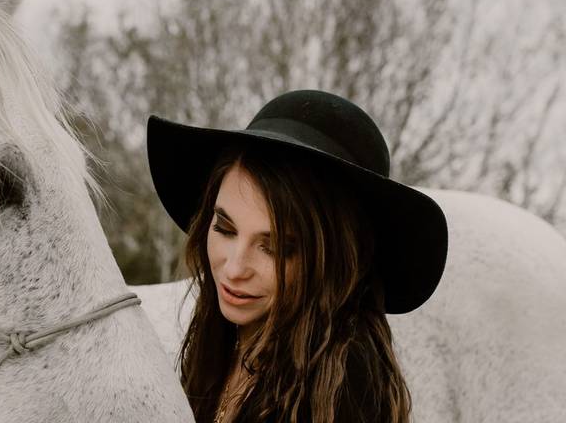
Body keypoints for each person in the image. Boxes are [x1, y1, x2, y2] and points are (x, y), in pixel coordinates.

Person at [146, 90, 448, 423]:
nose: (234, 269)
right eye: (225, 229)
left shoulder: (343, 388)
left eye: (273, 248)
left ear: (333, 259)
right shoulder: (219, 348)